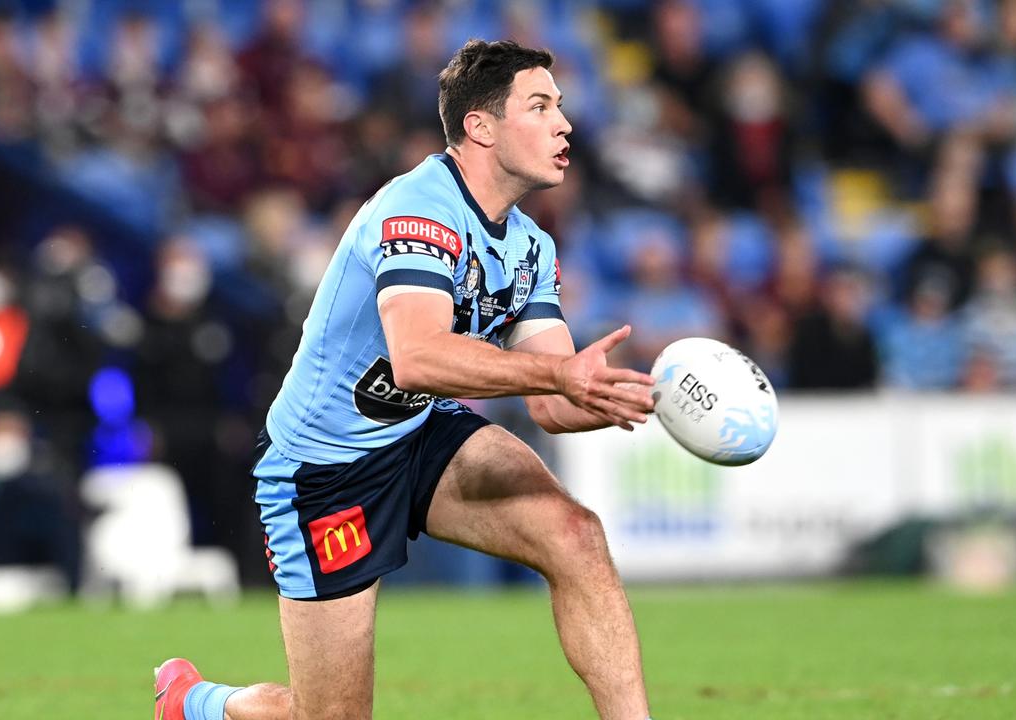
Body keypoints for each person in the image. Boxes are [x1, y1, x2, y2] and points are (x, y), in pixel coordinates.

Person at [154, 39, 657, 720]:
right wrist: (560, 374)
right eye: (540, 106)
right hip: (324, 468)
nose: (565, 124)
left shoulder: (532, 247)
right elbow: (419, 357)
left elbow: (550, 403)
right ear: (480, 126)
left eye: (561, 107)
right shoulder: (417, 210)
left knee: (574, 535)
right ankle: (198, 703)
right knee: (328, 717)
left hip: (417, 431)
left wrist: (630, 397)